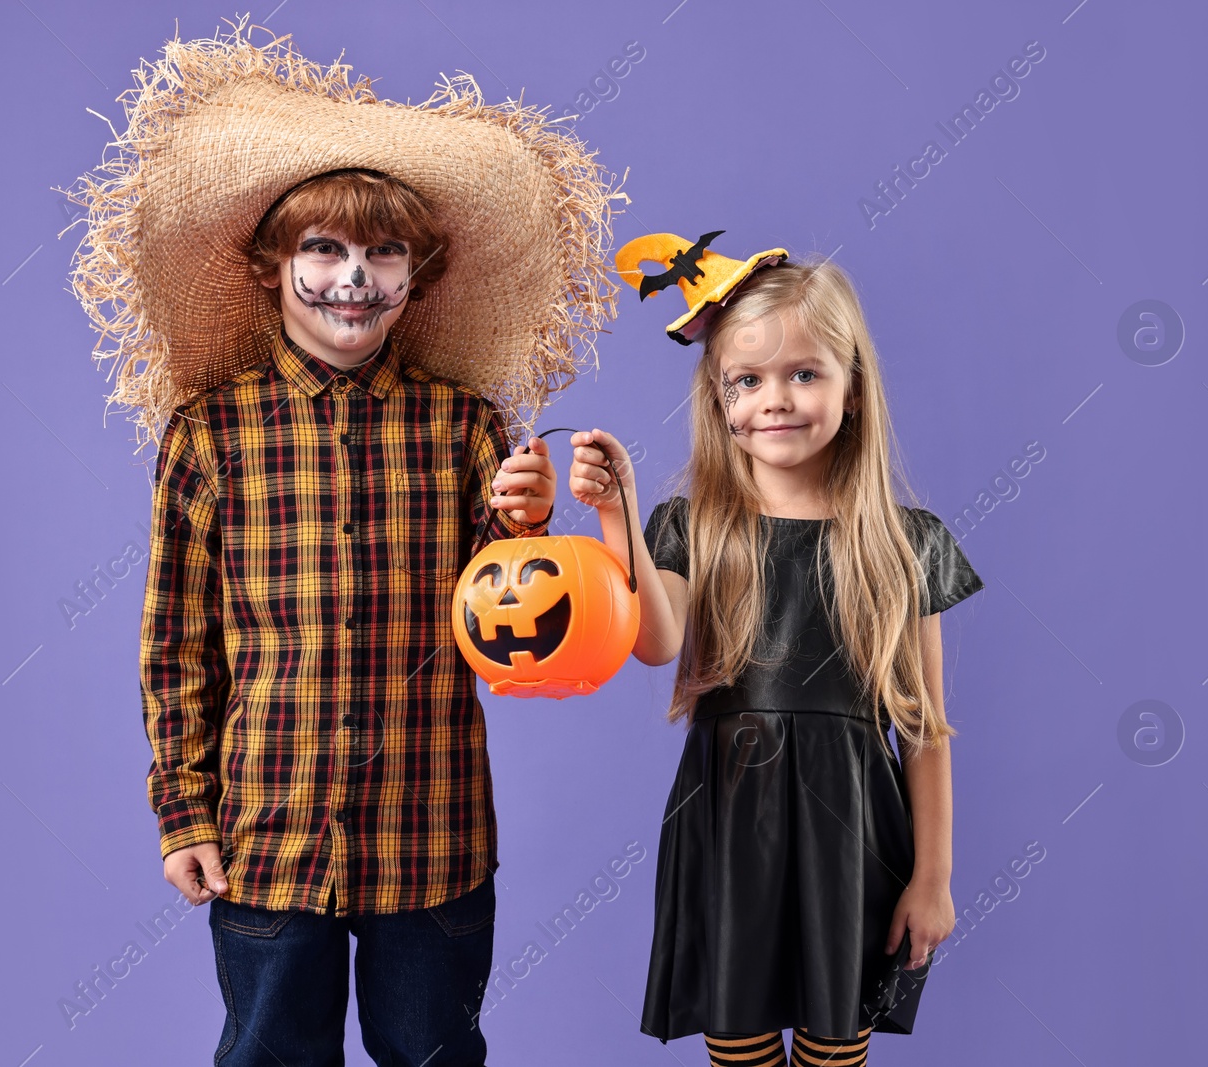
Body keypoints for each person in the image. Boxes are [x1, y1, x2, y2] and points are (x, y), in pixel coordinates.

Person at [62, 22, 624, 1066]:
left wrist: (526, 522)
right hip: (267, 838)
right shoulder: (209, 431)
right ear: (273, 269)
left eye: (382, 253)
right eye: (323, 249)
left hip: (435, 834)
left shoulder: (465, 428)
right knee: (271, 1051)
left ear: (418, 274)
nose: (351, 277)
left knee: (435, 1051)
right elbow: (175, 640)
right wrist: (182, 809)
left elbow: (506, 623)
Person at [568, 232, 985, 1066]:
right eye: (748, 380)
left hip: (855, 833)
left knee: (837, 1042)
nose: (776, 399)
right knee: (743, 1041)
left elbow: (928, 727)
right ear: (720, 400)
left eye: (805, 373)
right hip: (731, 822)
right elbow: (657, 644)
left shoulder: (906, 543)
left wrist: (932, 877)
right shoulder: (691, 528)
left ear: (853, 388)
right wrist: (617, 518)